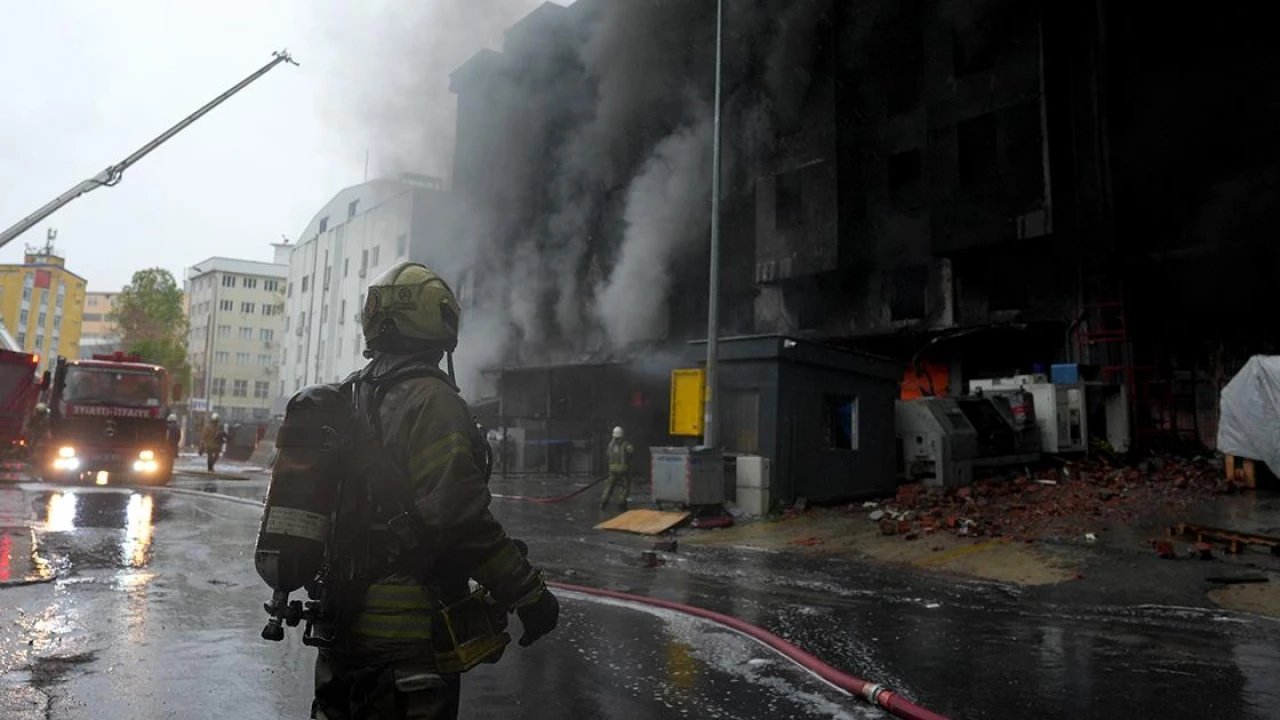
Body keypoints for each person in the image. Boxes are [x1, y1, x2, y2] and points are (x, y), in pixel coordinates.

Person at [311, 261, 559, 720]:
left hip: (339, 630)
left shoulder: (346, 396)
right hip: (404, 645)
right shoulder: (431, 400)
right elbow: (459, 519)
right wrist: (528, 593)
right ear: (437, 320)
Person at [599, 425, 635, 512]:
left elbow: (607, 455)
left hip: (612, 469)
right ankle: (621, 504)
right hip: (623, 469)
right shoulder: (626, 444)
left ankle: (603, 503)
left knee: (609, 486)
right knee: (624, 487)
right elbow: (631, 453)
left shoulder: (610, 445)